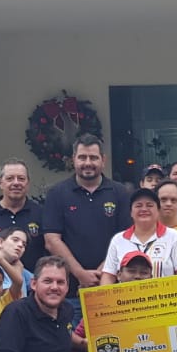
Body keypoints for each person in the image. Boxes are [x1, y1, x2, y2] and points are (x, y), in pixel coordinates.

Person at [43, 133, 130, 319]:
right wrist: (80, 273)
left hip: (112, 291)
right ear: (73, 159)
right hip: (70, 293)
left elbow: (127, 238)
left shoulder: (120, 193)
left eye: (93, 158)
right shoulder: (57, 194)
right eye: (82, 157)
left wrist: (103, 273)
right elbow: (51, 240)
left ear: (103, 160)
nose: (88, 163)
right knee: (72, 338)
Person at [101, 188, 177, 282]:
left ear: (158, 211)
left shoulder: (173, 236)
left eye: (149, 205)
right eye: (138, 205)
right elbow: (108, 276)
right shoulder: (118, 240)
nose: (144, 209)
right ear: (131, 212)